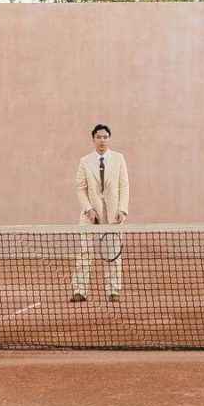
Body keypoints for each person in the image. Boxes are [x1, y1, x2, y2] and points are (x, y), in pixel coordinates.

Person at [72, 124, 129, 303]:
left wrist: (122, 209)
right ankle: (80, 292)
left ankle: (113, 291)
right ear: (93, 139)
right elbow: (81, 188)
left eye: (105, 137)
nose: (102, 140)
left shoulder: (119, 159)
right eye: (99, 137)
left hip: (113, 216)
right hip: (89, 215)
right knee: (85, 252)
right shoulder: (85, 161)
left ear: (109, 139)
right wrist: (89, 209)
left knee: (113, 253)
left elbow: (124, 186)